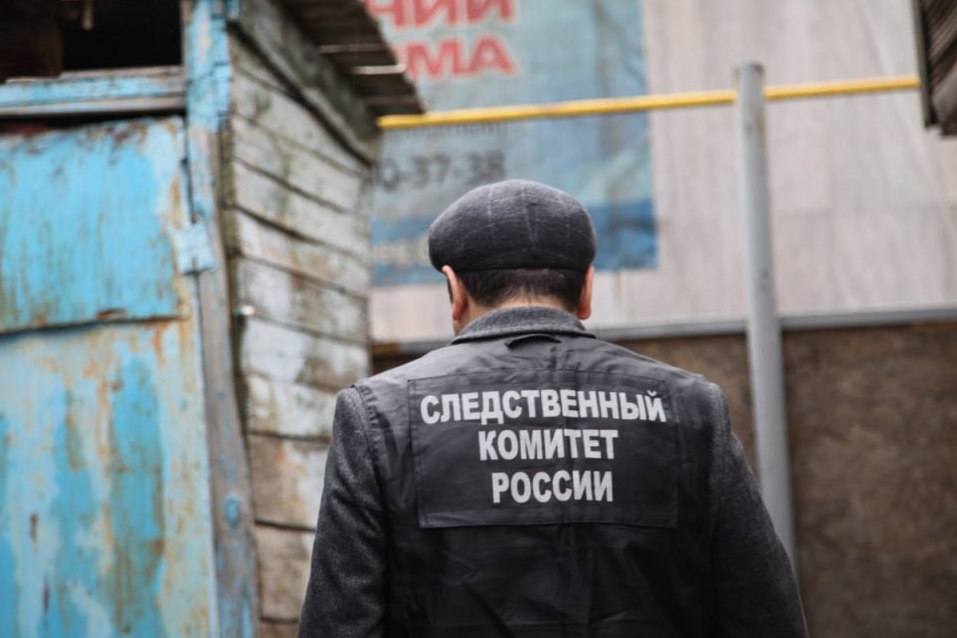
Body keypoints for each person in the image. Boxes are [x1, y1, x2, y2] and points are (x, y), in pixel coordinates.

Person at [299, 179, 807, 637]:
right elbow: (765, 614)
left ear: (454, 289)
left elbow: (340, 623)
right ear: (586, 288)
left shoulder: (379, 414)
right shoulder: (690, 408)